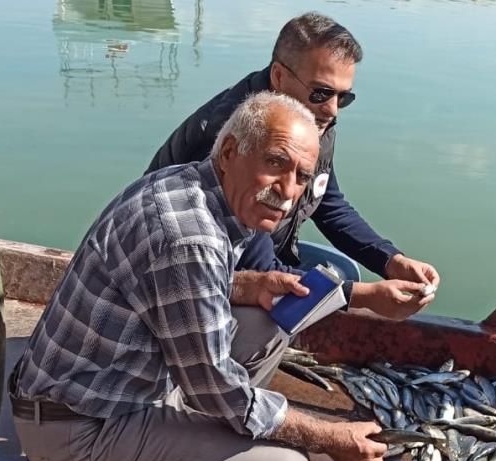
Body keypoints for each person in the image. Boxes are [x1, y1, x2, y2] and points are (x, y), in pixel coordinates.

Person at [10, 92, 388, 461]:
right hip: (78, 431)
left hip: (101, 392)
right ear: (230, 152)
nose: (288, 190)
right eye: (275, 164)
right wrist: (332, 435)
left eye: (300, 176)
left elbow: (171, 286)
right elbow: (218, 390)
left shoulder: (187, 186)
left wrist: (250, 284)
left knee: (267, 324)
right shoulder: (189, 237)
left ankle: (173, 458)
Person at [147, 12, 439, 321]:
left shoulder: (309, 119)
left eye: (343, 97)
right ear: (279, 77)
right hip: (193, 277)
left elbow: (326, 200)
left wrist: (390, 260)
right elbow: (259, 274)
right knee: (280, 313)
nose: (332, 109)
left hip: (265, 253)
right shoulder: (239, 138)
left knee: (342, 272)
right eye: (321, 93)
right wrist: (360, 296)